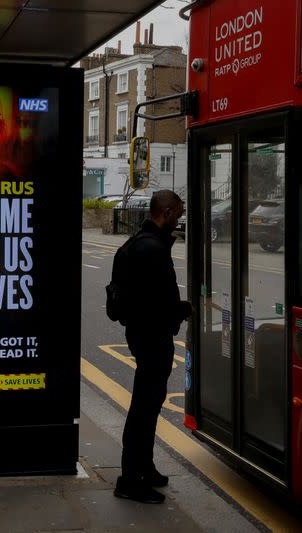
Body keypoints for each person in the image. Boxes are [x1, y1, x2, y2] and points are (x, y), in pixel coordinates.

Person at [114, 190, 192, 504]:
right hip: (151, 337)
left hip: (144, 334)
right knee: (144, 410)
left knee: (148, 405)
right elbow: (156, 301)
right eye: (178, 213)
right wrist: (184, 309)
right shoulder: (151, 249)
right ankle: (130, 479)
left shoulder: (141, 243)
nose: (180, 219)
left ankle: (143, 468)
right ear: (167, 212)